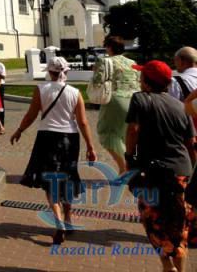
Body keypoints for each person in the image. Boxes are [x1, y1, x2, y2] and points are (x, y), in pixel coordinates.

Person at [11, 57, 97, 245]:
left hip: (47, 137)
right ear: (66, 72)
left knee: (50, 181)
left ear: (49, 72)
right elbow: (83, 122)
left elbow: (31, 115)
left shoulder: (41, 89)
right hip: (70, 139)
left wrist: (19, 130)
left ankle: (59, 222)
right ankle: (69, 218)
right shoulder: (75, 92)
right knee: (67, 177)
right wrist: (90, 146)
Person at [126, 60, 196, 272]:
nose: (139, 80)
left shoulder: (140, 98)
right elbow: (191, 143)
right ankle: (179, 267)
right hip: (180, 172)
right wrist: (191, 170)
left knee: (152, 219)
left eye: (141, 77)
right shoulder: (181, 105)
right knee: (178, 222)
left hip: (152, 173)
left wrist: (129, 157)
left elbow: (132, 130)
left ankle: (167, 265)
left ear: (147, 82)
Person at [90, 35, 140, 173]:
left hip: (115, 100)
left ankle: (124, 167)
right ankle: (128, 166)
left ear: (109, 47)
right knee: (125, 134)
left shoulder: (104, 61)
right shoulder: (132, 62)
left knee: (108, 133)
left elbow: (97, 82)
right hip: (134, 101)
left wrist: (95, 71)